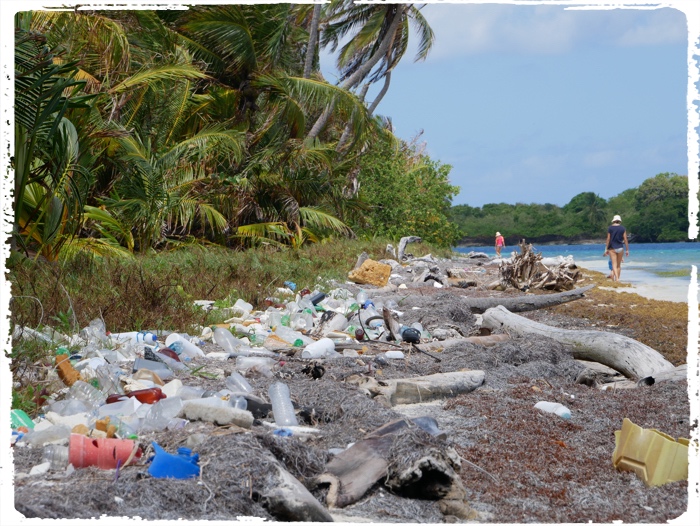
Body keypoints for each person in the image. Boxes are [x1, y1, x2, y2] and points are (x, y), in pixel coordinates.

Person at [604, 215, 629, 282]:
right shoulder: (623, 228)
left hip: (612, 248)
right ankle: (618, 278)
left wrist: (606, 249)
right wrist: (627, 250)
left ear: (614, 220)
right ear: (619, 221)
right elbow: (625, 239)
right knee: (618, 265)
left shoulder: (610, 228)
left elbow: (608, 239)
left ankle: (617, 279)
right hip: (620, 247)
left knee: (614, 265)